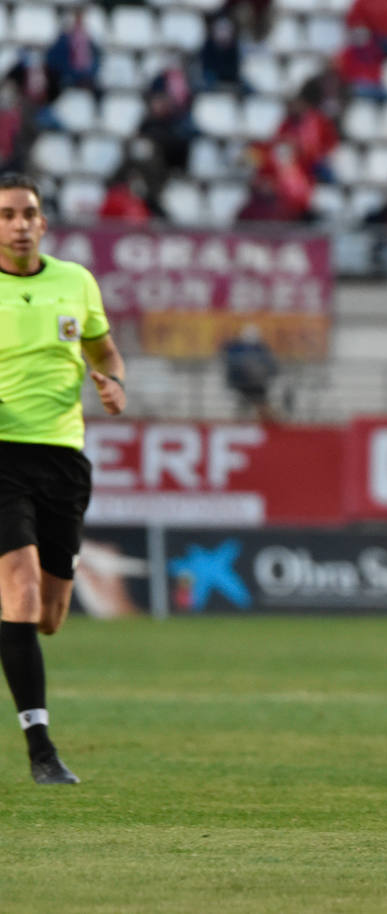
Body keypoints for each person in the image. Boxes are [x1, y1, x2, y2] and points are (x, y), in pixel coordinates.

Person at [0, 172, 127, 784]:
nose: (18, 224)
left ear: (43, 223)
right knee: (19, 595)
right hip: (2, 455)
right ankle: (42, 752)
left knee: (48, 617)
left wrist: (113, 381)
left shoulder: (76, 282)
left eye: (27, 213)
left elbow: (104, 351)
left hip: (63, 459)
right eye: (6, 215)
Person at [220, 324, 279, 421]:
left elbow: (272, 367)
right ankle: (269, 419)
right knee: (260, 403)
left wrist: (261, 372)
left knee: (259, 403)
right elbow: (229, 361)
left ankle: (268, 419)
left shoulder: (260, 348)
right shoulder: (236, 348)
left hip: (256, 383)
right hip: (243, 383)